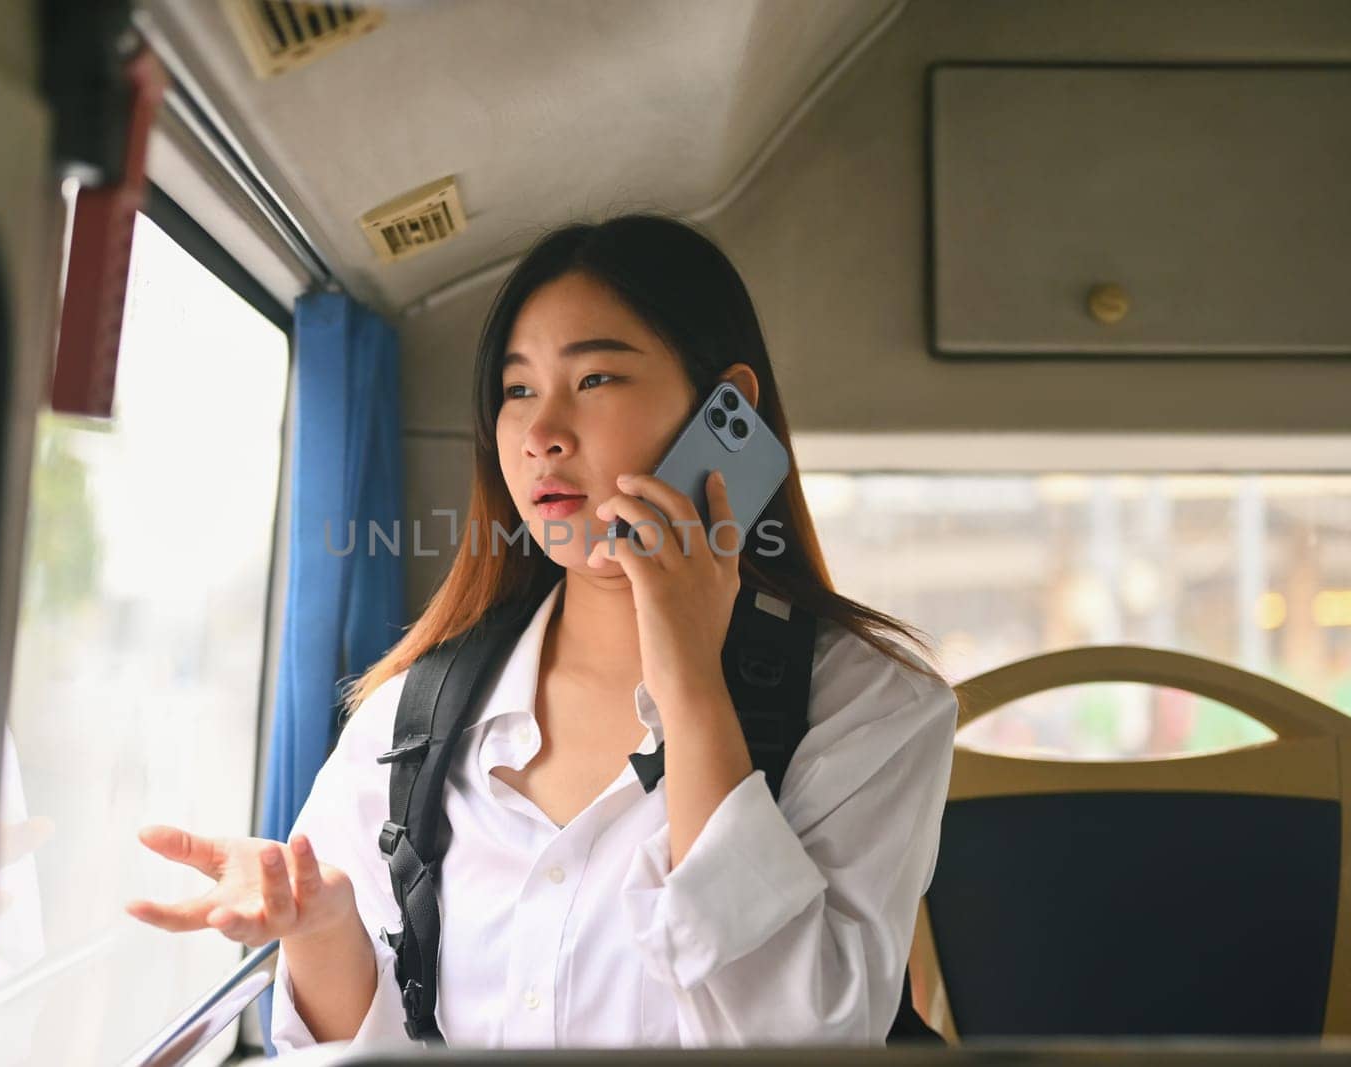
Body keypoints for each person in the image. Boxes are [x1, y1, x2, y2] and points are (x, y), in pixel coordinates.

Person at [126, 214, 957, 1050]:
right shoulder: (406, 719)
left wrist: (694, 686)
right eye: (518, 389)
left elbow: (811, 1041)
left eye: (594, 379)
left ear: (726, 408)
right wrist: (319, 924)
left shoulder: (873, 705)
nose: (539, 433)